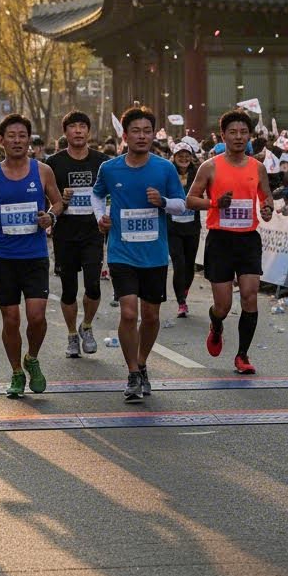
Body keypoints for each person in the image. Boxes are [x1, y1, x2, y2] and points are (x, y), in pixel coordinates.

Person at [92, 106, 188, 403]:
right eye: (136, 131)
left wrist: (162, 202)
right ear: (125, 135)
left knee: (150, 316)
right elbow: (97, 194)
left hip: (155, 254)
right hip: (121, 252)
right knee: (129, 312)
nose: (142, 136)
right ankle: (132, 372)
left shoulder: (165, 168)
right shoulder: (110, 168)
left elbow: (182, 206)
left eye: (147, 131)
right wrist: (100, 217)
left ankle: (143, 361)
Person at [0, 114, 62, 398]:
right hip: (4, 257)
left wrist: (49, 217)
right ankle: (15, 372)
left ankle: (31, 358)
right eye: (11, 136)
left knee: (36, 317)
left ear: (29, 141)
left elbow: (58, 202)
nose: (17, 141)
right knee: (11, 319)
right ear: (1, 141)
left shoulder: (43, 171)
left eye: (22, 135)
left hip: (35, 255)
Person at [185, 109, 275, 375]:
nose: (238, 137)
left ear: (250, 136)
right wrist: (215, 203)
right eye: (233, 132)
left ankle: (242, 355)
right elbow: (190, 200)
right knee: (223, 306)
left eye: (243, 133)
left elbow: (266, 198)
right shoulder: (210, 166)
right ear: (223, 135)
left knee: (249, 297)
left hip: (248, 239)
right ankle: (216, 324)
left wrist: (268, 208)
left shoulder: (257, 167)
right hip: (220, 240)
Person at [46, 111, 108, 358]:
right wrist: (60, 200)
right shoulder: (54, 163)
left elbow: (110, 194)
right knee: (69, 289)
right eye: (73, 127)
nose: (79, 131)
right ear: (66, 133)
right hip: (65, 233)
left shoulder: (102, 162)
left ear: (89, 132)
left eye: (83, 126)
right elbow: (46, 198)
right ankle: (72, 334)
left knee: (93, 285)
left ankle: (87, 326)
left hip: (92, 233)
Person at [167, 141, 200, 317]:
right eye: (180, 155)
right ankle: (181, 301)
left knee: (189, 266)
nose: (184, 158)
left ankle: (184, 290)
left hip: (192, 227)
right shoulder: (167, 172)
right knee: (179, 264)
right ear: (174, 157)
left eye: (187, 155)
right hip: (172, 228)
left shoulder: (198, 173)